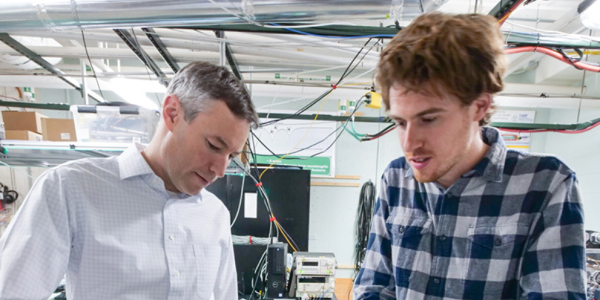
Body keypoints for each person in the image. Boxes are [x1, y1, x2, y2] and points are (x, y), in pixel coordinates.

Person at [354, 13, 586, 299]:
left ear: (479, 105)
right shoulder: (396, 179)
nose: (409, 143)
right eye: (400, 122)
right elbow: (375, 287)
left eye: (429, 119)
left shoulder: (545, 184)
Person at [0, 61, 259, 299]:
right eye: (214, 146)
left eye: (232, 156)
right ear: (172, 113)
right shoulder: (70, 189)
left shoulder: (215, 216)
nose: (221, 169)